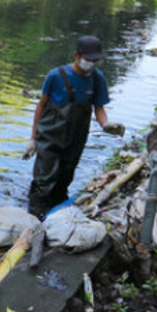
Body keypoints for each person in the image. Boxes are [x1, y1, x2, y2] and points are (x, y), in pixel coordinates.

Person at [23, 35, 124, 218]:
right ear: (77, 55)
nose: (92, 64)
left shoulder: (97, 79)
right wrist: (33, 138)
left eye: (95, 60)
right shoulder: (55, 76)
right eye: (88, 59)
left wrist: (106, 124)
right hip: (49, 135)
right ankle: (34, 214)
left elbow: (99, 107)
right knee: (44, 178)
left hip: (76, 137)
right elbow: (41, 106)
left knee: (65, 176)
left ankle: (57, 212)